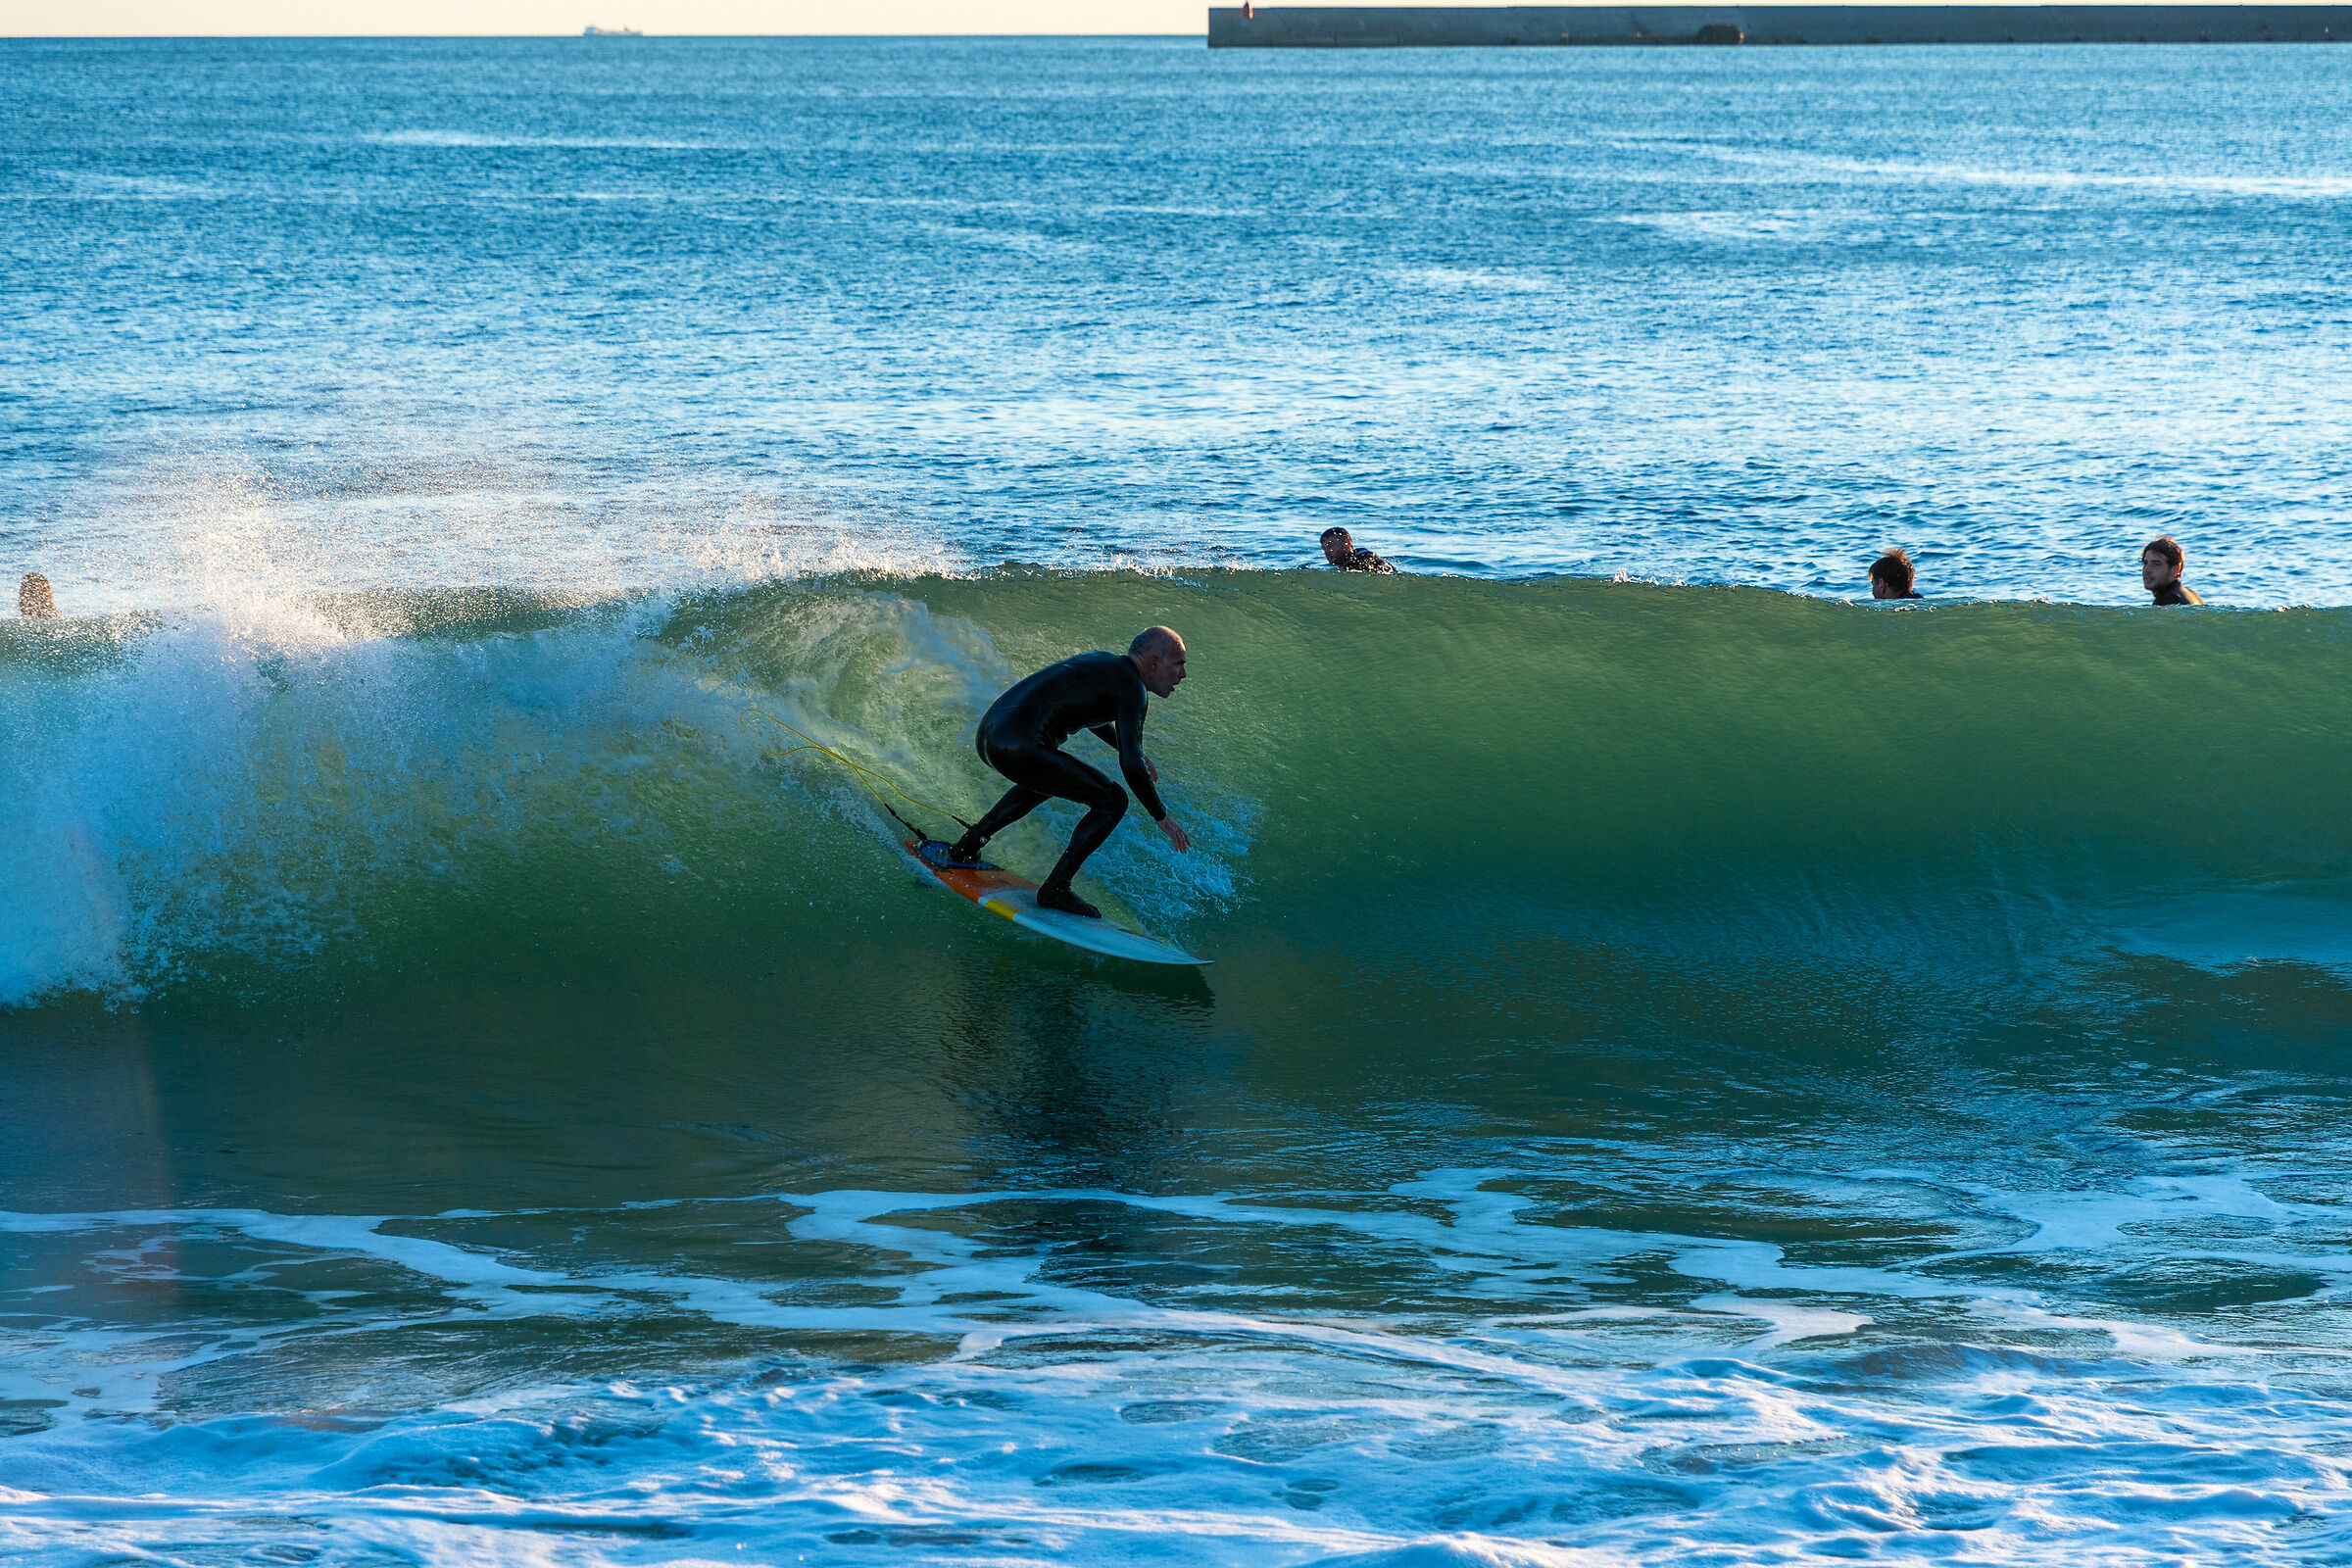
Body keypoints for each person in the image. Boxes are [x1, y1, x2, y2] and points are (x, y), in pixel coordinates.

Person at [926, 626, 1193, 919]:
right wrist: (1161, 816)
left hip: (991, 736)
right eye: (1178, 664)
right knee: (1113, 800)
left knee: (1047, 778)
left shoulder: (1104, 663)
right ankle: (1056, 888)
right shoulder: (1133, 688)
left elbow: (1090, 712)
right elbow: (1130, 766)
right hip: (1020, 744)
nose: (1182, 674)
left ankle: (967, 846)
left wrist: (1129, 749)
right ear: (1154, 661)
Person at [2141, 536, 2203, 606]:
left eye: (2156, 564)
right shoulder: (2193, 595)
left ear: (2176, 569)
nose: (2147, 570)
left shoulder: (2167, 600)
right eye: (2145, 563)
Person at [1320, 527, 1396, 574]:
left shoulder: (1362, 556)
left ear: (1347, 543)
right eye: (1324, 548)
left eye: (1330, 545)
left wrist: (1345, 569)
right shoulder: (1343, 564)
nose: (1327, 551)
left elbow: (1368, 555)